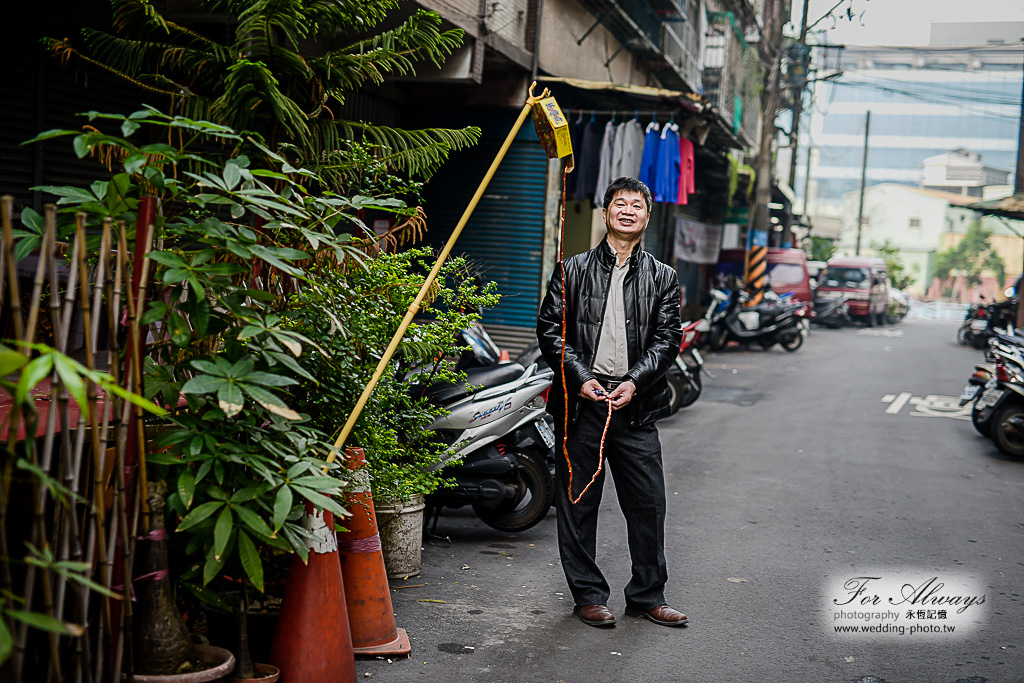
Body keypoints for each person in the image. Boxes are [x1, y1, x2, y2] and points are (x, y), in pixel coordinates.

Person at [536, 176, 687, 628]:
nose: (627, 210)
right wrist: (580, 379)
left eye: (636, 205)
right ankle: (588, 595)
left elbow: (668, 339)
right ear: (605, 213)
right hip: (584, 404)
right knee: (577, 503)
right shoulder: (572, 269)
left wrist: (637, 382)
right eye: (619, 203)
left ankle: (646, 595)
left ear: (646, 216)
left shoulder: (663, 277)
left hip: (635, 404)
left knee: (648, 503)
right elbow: (551, 331)